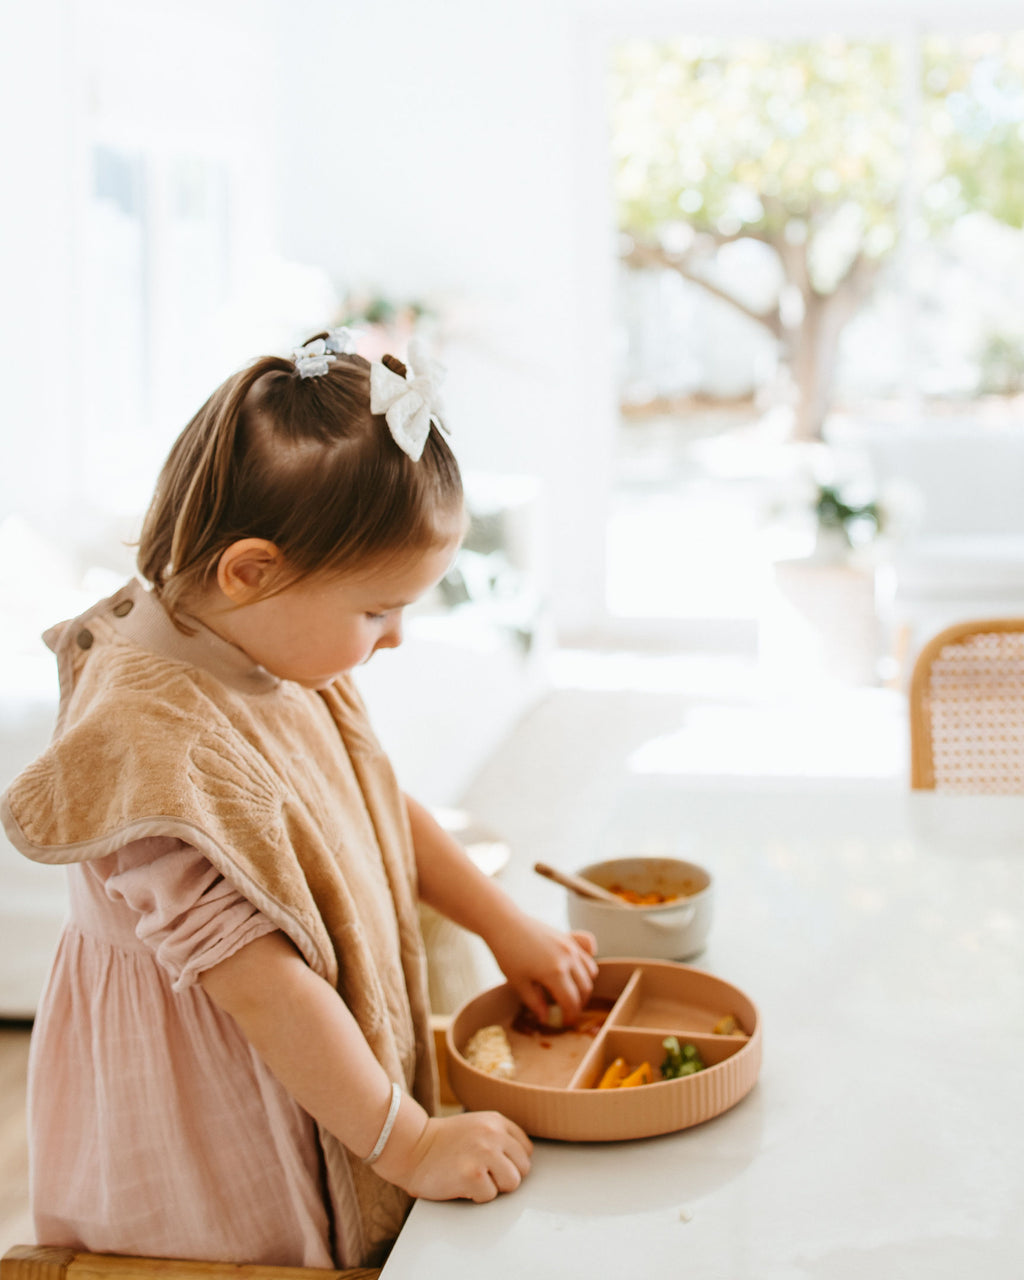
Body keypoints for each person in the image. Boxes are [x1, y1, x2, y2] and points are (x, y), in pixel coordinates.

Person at [1, 331, 598, 1271]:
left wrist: (505, 926)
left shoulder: (269, 646)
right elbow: (266, 992)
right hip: (212, 1090)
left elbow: (372, 797)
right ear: (252, 570)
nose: (395, 638)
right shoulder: (149, 749)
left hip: (310, 1058)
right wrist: (408, 1144)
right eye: (377, 610)